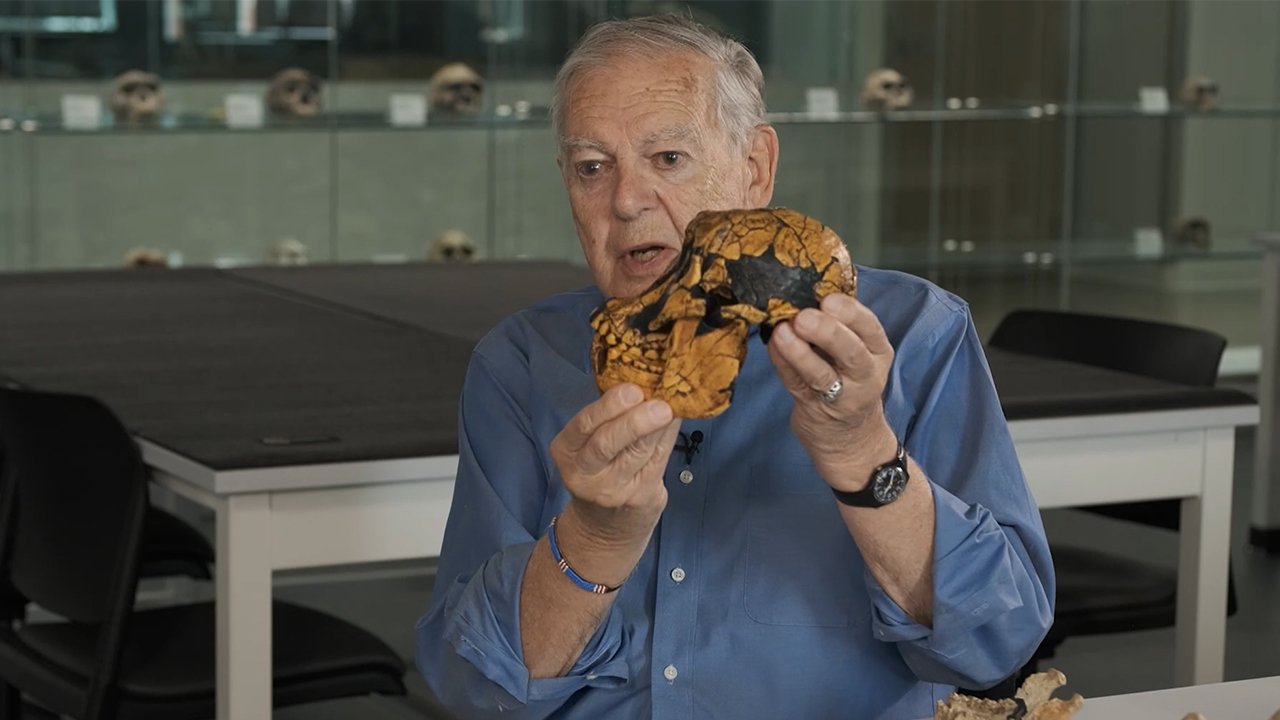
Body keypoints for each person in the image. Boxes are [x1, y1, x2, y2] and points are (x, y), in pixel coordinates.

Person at [416, 14, 1054, 720]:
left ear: (755, 169)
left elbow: (999, 643)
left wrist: (865, 456)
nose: (626, 201)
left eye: (668, 159)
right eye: (593, 168)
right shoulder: (523, 364)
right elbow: (475, 689)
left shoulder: (912, 337)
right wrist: (592, 539)